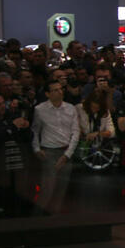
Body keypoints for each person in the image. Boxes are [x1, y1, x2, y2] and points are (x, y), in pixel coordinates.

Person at [31, 79, 80, 213]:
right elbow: (35, 130)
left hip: (66, 151)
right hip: (49, 152)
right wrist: (36, 149)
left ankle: (55, 218)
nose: (60, 92)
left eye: (60, 89)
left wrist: (67, 154)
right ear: (48, 94)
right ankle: (37, 218)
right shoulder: (40, 109)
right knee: (47, 189)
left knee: (61, 190)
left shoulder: (70, 108)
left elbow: (76, 132)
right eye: (55, 90)